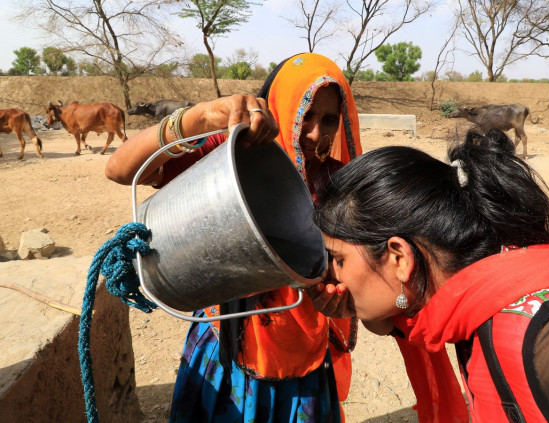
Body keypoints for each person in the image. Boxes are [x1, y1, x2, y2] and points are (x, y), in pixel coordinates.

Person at [310, 129, 549, 423]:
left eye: (338, 259)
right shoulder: (495, 269)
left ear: (399, 257)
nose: (332, 274)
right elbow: (400, 319)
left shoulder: (539, 337)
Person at [105, 52, 361, 422]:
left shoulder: (342, 186)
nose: (315, 133)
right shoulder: (232, 158)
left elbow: (356, 272)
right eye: (304, 114)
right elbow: (119, 169)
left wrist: (341, 299)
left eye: (329, 120)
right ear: (278, 108)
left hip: (303, 352)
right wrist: (200, 117)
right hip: (227, 343)